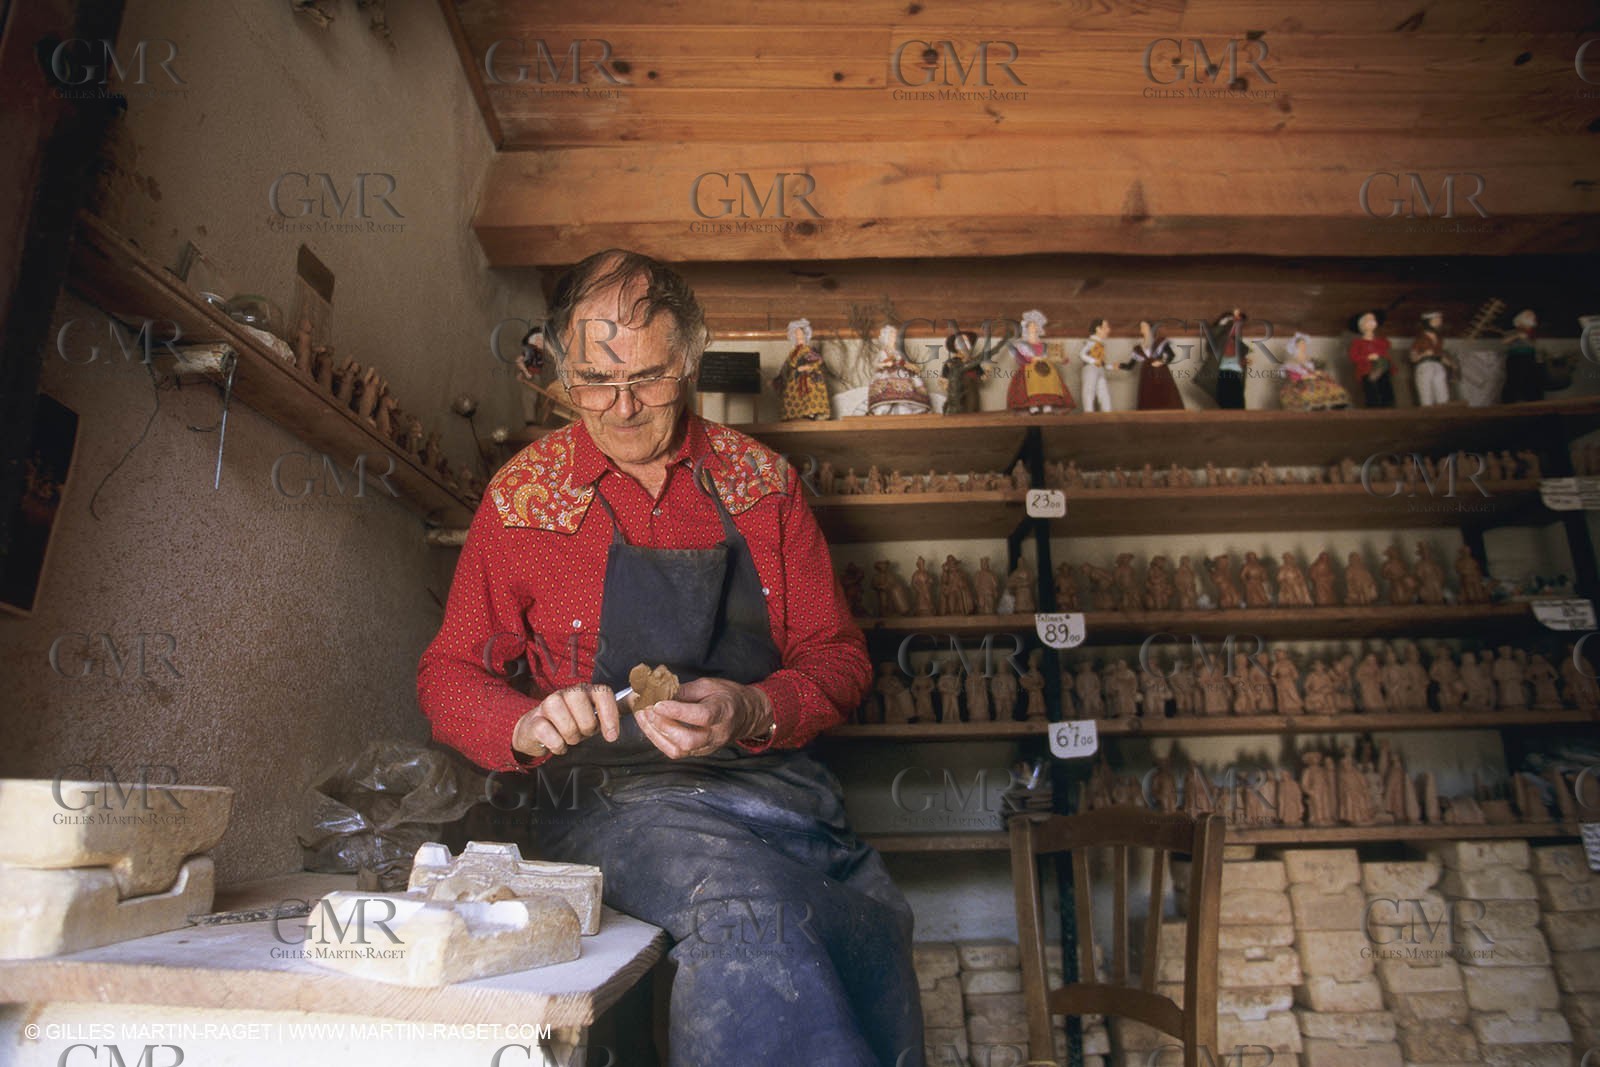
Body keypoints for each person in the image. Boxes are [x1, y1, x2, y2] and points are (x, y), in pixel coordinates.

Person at [417, 249, 923, 1066]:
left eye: (648, 378)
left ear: (689, 359)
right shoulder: (523, 499)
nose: (618, 408)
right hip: (611, 804)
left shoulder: (764, 485)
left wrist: (752, 706)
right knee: (748, 920)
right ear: (557, 365)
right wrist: (527, 722)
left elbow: (839, 659)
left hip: (778, 796)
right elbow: (448, 673)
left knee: (879, 919)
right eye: (591, 380)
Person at [1349, 310, 1393, 408]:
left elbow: (1386, 350)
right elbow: (1354, 357)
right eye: (1368, 320)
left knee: (1386, 389)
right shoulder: (1357, 343)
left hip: (1382, 368)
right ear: (1362, 325)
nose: (1372, 322)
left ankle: (1389, 407)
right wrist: (1367, 357)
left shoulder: (1381, 341)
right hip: (1367, 369)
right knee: (1371, 392)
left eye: (1373, 319)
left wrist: (1379, 356)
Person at [1409, 311, 1453, 407]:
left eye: (1439, 320)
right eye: (1436, 320)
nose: (1439, 322)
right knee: (1426, 395)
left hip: (1438, 366)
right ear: (1428, 322)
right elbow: (1413, 358)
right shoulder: (1420, 338)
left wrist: (1450, 364)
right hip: (1425, 366)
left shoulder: (1439, 339)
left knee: (1442, 395)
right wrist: (1424, 354)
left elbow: (1440, 355)